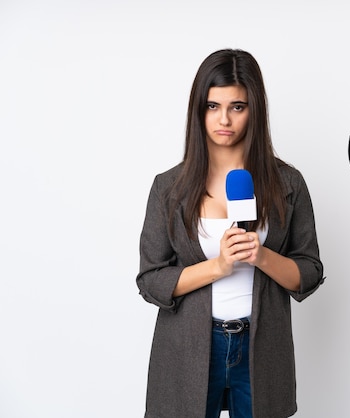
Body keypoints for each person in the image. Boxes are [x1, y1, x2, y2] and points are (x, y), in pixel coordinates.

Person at [136, 48, 325, 418]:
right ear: (198, 110)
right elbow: (150, 280)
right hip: (188, 348)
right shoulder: (168, 187)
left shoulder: (288, 183)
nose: (224, 118)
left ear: (255, 110)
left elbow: (310, 272)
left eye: (237, 106)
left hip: (262, 348)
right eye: (212, 106)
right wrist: (218, 266)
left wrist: (262, 256)